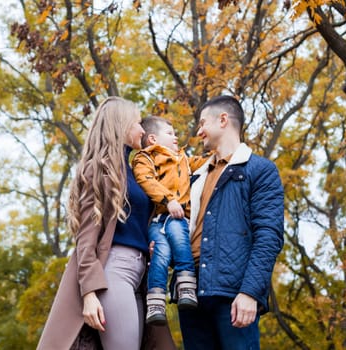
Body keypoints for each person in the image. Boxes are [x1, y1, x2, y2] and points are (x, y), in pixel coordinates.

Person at [37, 97, 175, 350]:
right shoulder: (99, 170)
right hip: (114, 271)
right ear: (120, 125)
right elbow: (86, 239)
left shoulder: (137, 173)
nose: (142, 130)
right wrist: (89, 294)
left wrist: (152, 244)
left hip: (141, 275)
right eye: (136, 123)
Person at [178, 95, 284, 350]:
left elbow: (269, 236)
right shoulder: (195, 176)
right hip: (190, 292)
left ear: (223, 120)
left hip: (233, 295)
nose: (199, 130)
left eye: (203, 123)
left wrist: (250, 292)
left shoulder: (260, 170)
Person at [132, 116, 208, 326]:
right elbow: (145, 180)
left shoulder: (183, 159)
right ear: (153, 139)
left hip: (178, 217)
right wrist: (168, 200)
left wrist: (217, 152)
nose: (176, 137)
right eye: (170, 133)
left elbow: (204, 163)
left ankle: (185, 286)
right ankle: (156, 300)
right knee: (161, 255)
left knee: (178, 239)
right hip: (160, 217)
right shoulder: (145, 158)